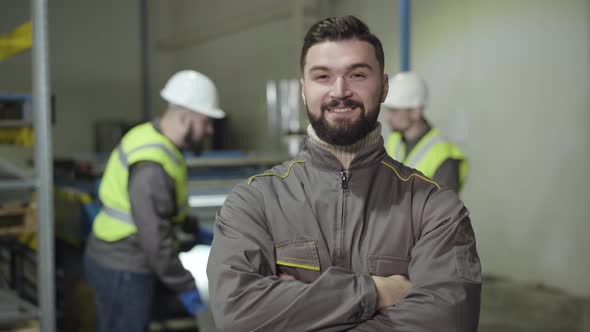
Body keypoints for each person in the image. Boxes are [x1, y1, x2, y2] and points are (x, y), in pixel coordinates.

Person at [207, 15, 481, 331]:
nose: (340, 90)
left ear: (384, 87)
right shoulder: (254, 203)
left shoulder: (435, 209)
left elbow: (447, 322)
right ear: (303, 89)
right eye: (322, 76)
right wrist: (377, 292)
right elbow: (237, 314)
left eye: (357, 74)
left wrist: (293, 309)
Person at [84, 70, 225, 332]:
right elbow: (155, 242)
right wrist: (185, 286)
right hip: (123, 268)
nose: (210, 130)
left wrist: (194, 230)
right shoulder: (151, 167)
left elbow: (166, 213)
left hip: (125, 260)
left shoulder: (153, 138)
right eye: (206, 121)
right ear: (185, 118)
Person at [383, 72, 468, 192]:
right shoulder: (393, 140)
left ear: (416, 111)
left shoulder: (444, 157)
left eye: (394, 111)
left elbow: (443, 209)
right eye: (388, 110)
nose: (387, 117)